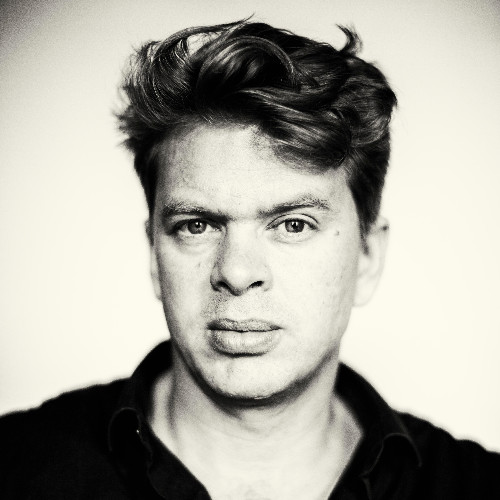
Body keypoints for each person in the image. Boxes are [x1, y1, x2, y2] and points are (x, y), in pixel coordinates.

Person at [1, 19, 499, 500]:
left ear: (368, 256)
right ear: (154, 254)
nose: (237, 273)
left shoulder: (475, 487)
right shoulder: (14, 469)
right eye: (197, 225)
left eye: (293, 225)